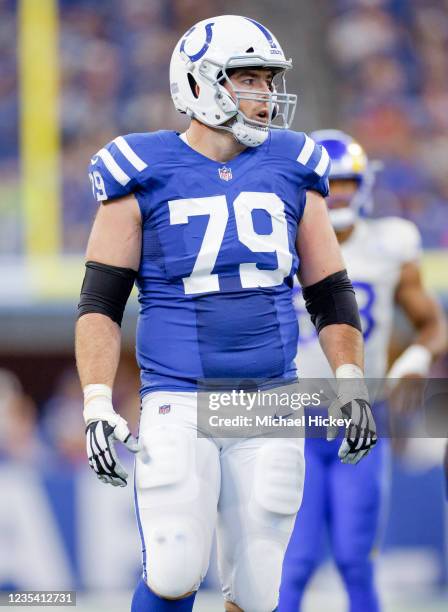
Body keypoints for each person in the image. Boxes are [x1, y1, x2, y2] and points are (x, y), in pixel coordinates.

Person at [75, 17, 377, 612]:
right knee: (174, 567)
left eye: (269, 80)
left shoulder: (296, 163)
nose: (265, 95)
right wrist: (95, 401)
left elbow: (330, 290)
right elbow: (100, 303)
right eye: (249, 79)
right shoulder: (141, 167)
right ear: (199, 83)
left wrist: (349, 380)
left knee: (260, 589)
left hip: (271, 396)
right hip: (179, 397)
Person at [278, 129, 447, 612]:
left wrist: (415, 358)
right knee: (294, 563)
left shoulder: (390, 243)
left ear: (365, 185)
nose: (340, 194)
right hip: (293, 419)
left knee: (356, 560)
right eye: (330, 184)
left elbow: (433, 325)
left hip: (360, 418)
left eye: (347, 182)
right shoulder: (279, 242)